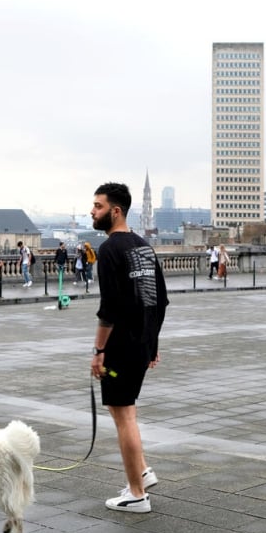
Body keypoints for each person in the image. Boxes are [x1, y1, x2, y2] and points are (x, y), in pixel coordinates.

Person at [89, 182, 168, 513]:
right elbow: (159, 301)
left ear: (115, 211)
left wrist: (98, 351)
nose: (92, 212)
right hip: (141, 343)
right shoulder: (143, 247)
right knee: (122, 411)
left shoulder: (109, 251)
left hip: (121, 345)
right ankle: (143, 472)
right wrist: (152, 344)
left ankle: (136, 495)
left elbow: (110, 309)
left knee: (124, 416)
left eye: (97, 206)